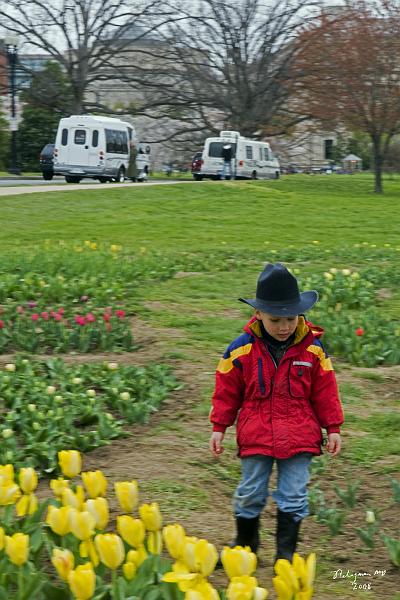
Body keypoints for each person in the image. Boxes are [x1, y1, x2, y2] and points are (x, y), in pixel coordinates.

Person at [209, 263, 344, 563]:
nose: (284, 327)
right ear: (257, 314)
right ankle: (246, 546)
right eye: (275, 320)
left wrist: (333, 427)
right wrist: (219, 426)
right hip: (256, 431)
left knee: (294, 494)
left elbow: (326, 391)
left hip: (300, 433)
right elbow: (226, 391)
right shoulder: (240, 349)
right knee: (250, 491)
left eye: (290, 319)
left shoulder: (313, 350)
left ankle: (286, 555)